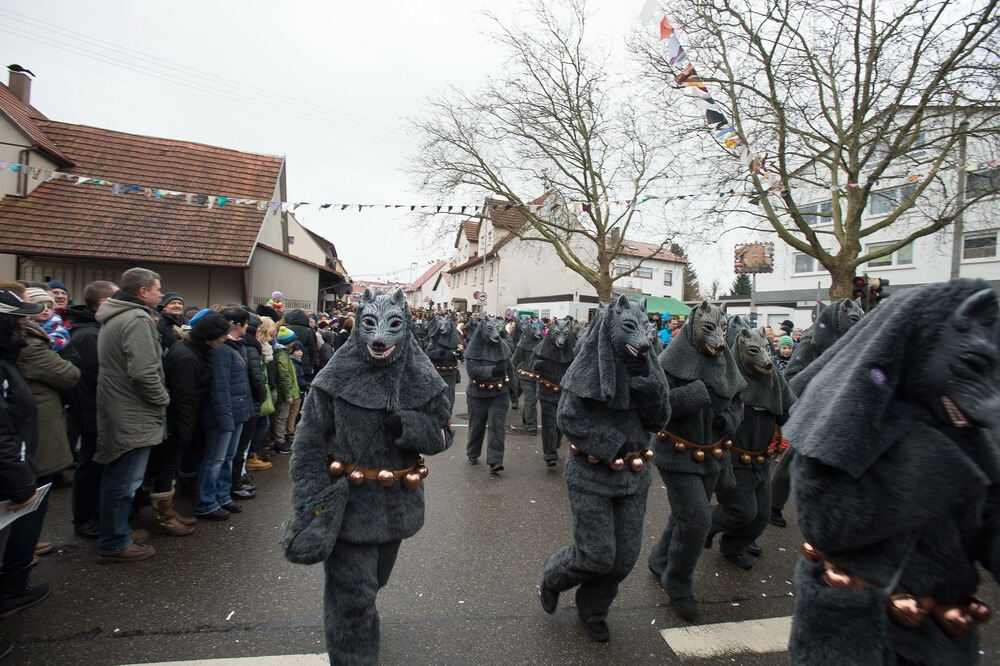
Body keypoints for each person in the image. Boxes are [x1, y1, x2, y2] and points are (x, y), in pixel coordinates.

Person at [785, 279, 999, 664]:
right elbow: (826, 522)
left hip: (942, 641)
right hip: (850, 636)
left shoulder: (971, 433)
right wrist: (937, 460)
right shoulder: (850, 408)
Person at [282, 288, 453, 663]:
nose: (379, 337)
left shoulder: (423, 378)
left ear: (405, 328)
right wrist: (310, 506)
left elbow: (443, 436)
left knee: (375, 583)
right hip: (348, 506)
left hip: (397, 506)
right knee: (353, 599)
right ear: (359, 326)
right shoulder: (334, 378)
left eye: (391, 326)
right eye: (370, 325)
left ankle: (355, 619)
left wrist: (411, 426)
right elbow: (308, 444)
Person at [540, 296, 669, 642]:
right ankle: (554, 577)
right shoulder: (586, 367)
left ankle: (593, 608)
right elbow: (568, 417)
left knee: (624, 559)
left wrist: (649, 390)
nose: (641, 339)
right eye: (630, 328)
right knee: (596, 554)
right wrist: (613, 445)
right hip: (591, 476)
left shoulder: (648, 364)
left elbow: (660, 418)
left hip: (635, 477)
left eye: (644, 329)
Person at [648, 301, 745, 622]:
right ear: (693, 326)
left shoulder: (724, 362)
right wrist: (695, 395)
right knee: (697, 519)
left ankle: (660, 558)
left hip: (713, 455)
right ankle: (677, 581)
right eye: (709, 329)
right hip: (676, 454)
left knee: (685, 514)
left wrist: (728, 420)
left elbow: (737, 402)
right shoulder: (668, 362)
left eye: (722, 329)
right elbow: (655, 408)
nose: (718, 337)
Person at [95, 267, 169, 563]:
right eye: (157, 289)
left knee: (120, 477)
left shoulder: (117, 315)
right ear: (142, 292)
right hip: (132, 410)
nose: (160, 294)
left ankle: (118, 530)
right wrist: (162, 399)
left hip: (120, 405)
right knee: (125, 480)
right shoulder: (136, 318)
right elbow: (143, 371)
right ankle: (114, 542)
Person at [13, 290, 80, 568]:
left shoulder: (35, 338)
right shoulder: (30, 343)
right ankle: (18, 560)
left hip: (34, 420)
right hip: (33, 424)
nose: (42, 310)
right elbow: (69, 373)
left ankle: (22, 547)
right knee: (29, 491)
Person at [149, 309, 230, 534]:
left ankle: (169, 511)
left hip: (181, 419)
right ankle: (164, 518)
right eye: (221, 335)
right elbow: (183, 397)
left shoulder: (194, 350)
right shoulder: (186, 356)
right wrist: (184, 430)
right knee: (167, 468)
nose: (224, 339)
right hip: (176, 421)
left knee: (170, 467)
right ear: (210, 335)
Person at [0, 288, 49, 628]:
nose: (25, 325)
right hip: (10, 471)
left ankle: (11, 589)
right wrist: (20, 483)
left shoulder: (7, 361)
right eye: (19, 320)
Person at [65, 280, 117, 538]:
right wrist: (93, 418)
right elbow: (88, 382)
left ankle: (95, 515)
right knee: (90, 467)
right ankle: (86, 519)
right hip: (92, 415)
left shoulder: (97, 330)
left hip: (98, 413)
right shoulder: (89, 335)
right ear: (104, 303)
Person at [195, 307, 253, 520]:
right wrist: (225, 417)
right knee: (215, 460)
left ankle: (223, 495)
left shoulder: (236, 346)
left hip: (236, 411)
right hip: (224, 415)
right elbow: (220, 387)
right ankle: (207, 501)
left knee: (227, 457)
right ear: (238, 324)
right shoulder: (222, 349)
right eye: (246, 323)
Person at [270, 326, 301, 455]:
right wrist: (288, 393)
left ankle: (283, 439)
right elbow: (284, 376)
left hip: (291, 391)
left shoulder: (284, 354)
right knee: (281, 417)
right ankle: (280, 441)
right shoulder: (282, 356)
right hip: (286, 393)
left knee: (285, 416)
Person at [24, 288, 70, 353]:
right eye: (40, 306)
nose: (46, 309)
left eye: (49, 307)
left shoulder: (54, 323)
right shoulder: (23, 323)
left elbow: (62, 339)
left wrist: (49, 341)